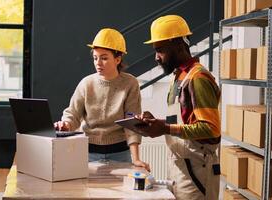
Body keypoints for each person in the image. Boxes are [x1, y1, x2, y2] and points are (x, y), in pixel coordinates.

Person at [135, 15, 221, 200]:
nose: (156, 57)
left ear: (178, 45)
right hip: (180, 167)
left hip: (197, 171)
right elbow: (184, 121)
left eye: (160, 50)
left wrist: (165, 128)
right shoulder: (180, 76)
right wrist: (156, 122)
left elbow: (211, 129)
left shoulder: (198, 78)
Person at [54, 28, 150, 171]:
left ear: (118, 59)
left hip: (120, 153)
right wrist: (66, 124)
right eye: (95, 58)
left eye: (104, 58)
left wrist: (136, 159)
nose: (98, 63)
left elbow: (132, 122)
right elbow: (73, 114)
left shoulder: (130, 83)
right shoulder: (86, 83)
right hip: (87, 152)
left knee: (119, 193)